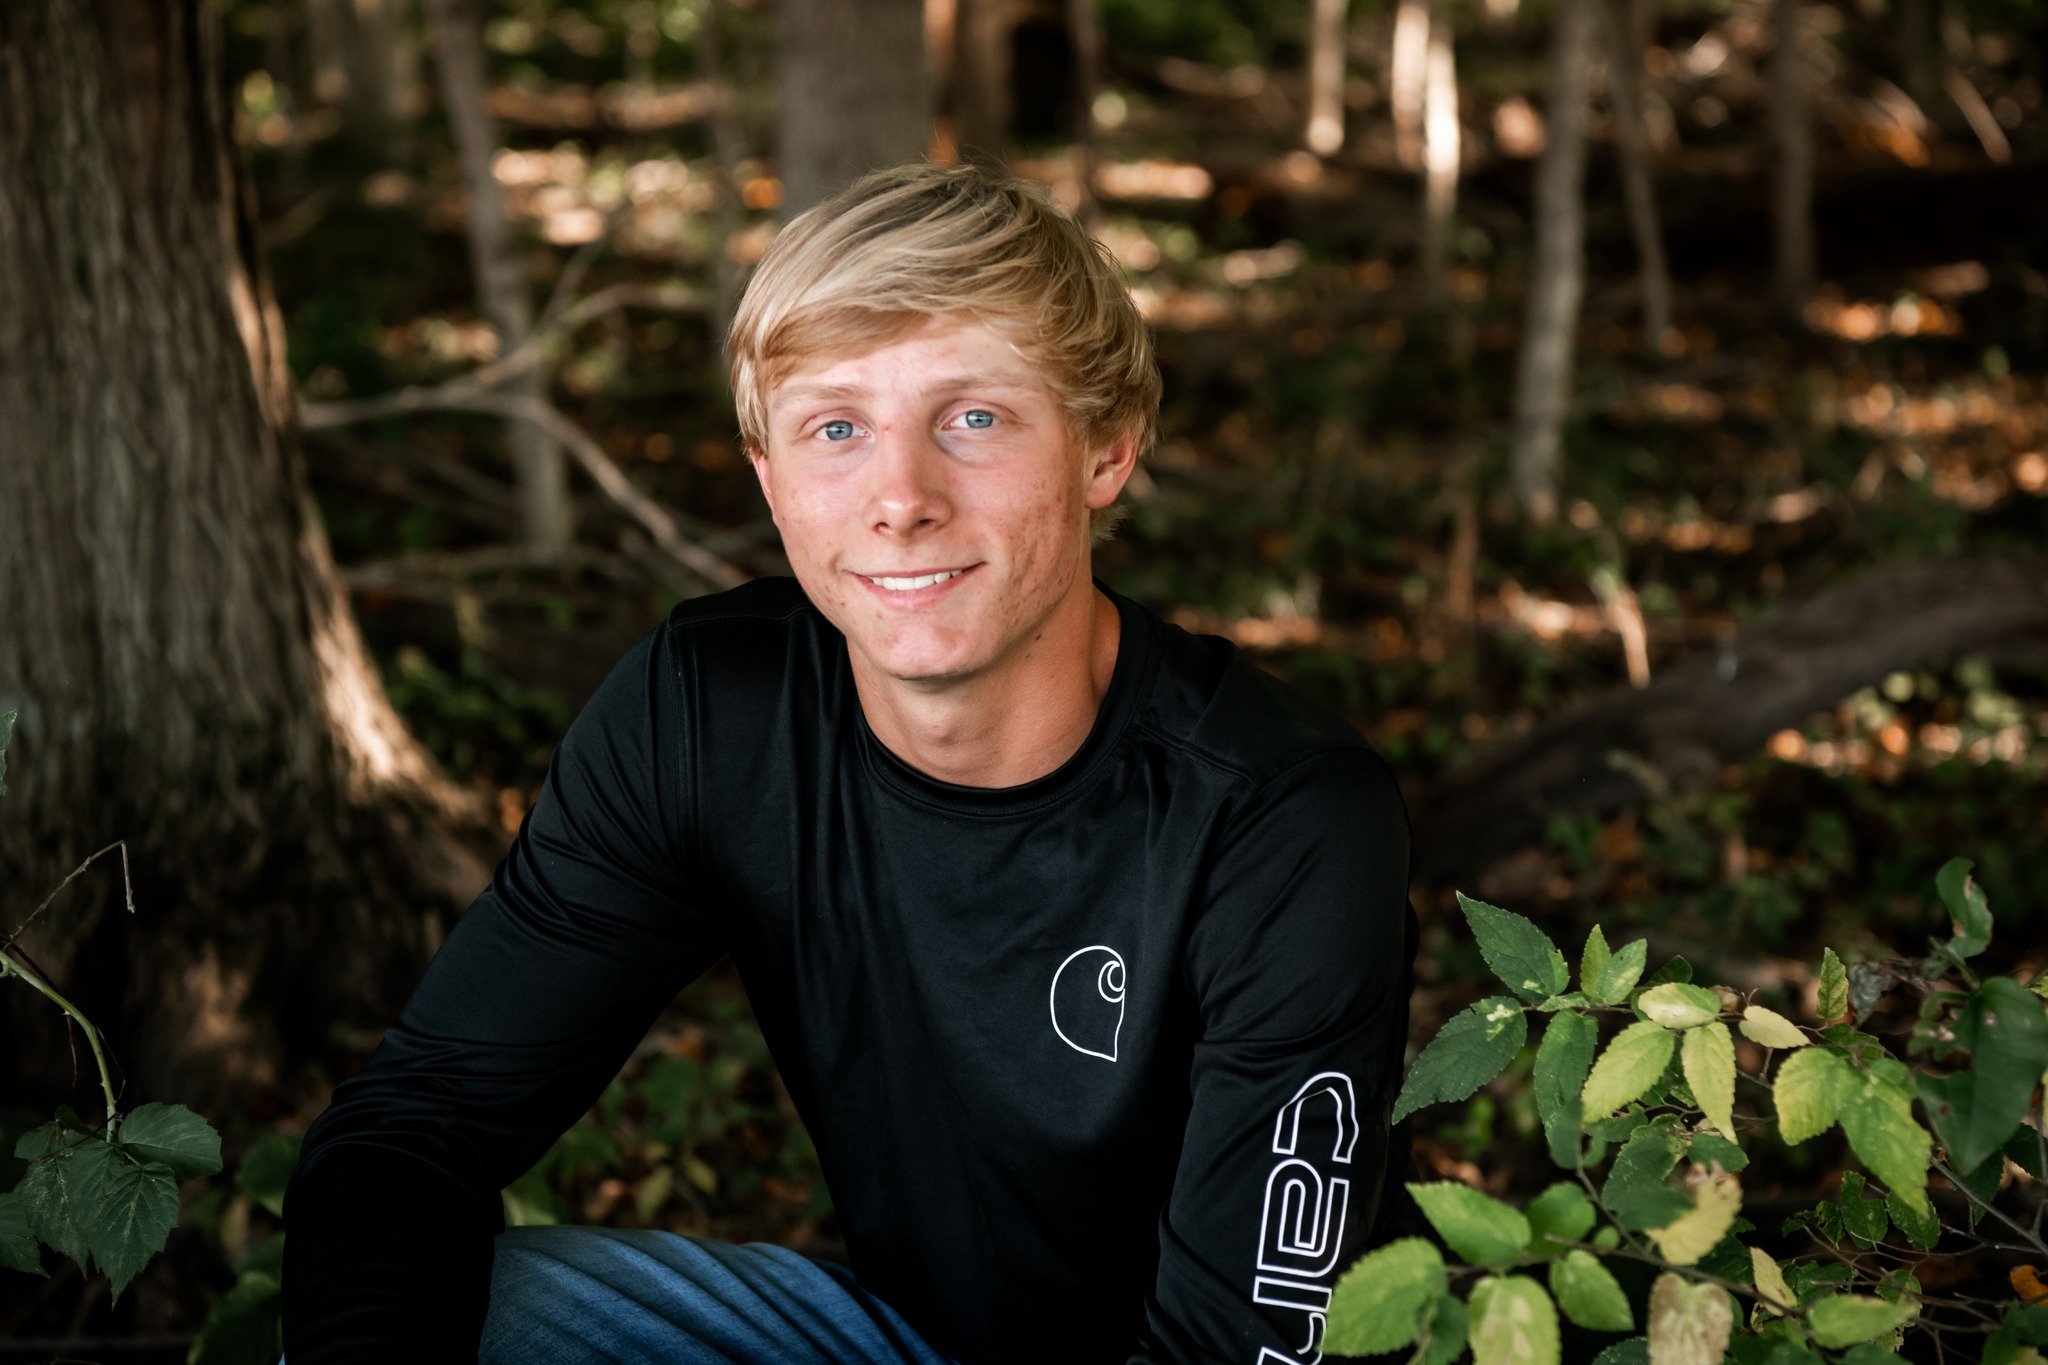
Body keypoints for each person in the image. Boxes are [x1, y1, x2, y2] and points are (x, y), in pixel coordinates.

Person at [281, 160, 1417, 1365]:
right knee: (476, 1309)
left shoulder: (1278, 819)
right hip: (899, 1344)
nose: (900, 500)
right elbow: (415, 1125)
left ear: (1105, 451)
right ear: (770, 481)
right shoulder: (710, 713)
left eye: (973, 418)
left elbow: (1234, 1353)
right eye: (836, 427)